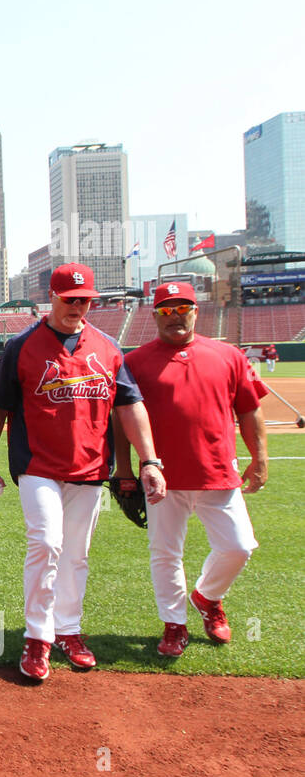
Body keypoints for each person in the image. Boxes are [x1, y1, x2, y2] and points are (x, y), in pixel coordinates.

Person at [0, 263, 168, 682]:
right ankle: (37, 638)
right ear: (53, 298)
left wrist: (149, 460)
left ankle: (69, 630)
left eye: (86, 300)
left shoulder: (109, 348)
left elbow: (130, 407)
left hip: (91, 468)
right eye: (71, 299)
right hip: (37, 466)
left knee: (76, 554)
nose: (79, 306)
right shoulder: (20, 347)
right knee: (46, 543)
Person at [117, 282, 267, 657]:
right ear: (154, 316)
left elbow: (249, 409)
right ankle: (174, 624)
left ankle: (206, 596)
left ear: (196, 311)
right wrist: (124, 469)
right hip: (162, 477)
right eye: (166, 310)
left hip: (219, 472)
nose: (175, 316)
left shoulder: (228, 355)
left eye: (182, 308)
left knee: (239, 545)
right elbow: (120, 421)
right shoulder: (134, 362)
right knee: (166, 553)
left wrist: (259, 458)